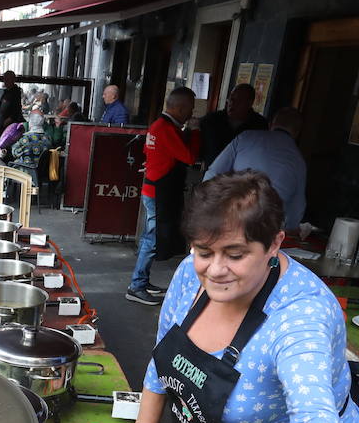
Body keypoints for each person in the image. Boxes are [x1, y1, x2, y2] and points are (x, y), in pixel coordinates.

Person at [121, 172, 359, 423]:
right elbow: (163, 353)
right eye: (204, 252)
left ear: (274, 244)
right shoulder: (190, 273)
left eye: (235, 255)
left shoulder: (300, 316)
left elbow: (313, 415)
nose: (215, 270)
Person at [126, 86, 199, 306]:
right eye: (190, 109)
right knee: (151, 239)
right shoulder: (166, 129)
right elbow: (188, 156)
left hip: (155, 188)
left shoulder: (160, 126)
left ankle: (143, 282)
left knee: (152, 237)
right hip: (158, 192)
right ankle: (136, 286)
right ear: (179, 107)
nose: (191, 114)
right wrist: (195, 132)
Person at [204, 107, 308, 230]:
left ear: (270, 124)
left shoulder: (246, 137)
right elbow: (297, 207)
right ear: (297, 133)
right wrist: (289, 229)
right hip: (267, 223)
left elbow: (214, 172)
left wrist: (205, 207)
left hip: (233, 211)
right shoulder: (298, 160)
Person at [199, 83, 267, 169]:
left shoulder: (259, 125)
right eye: (231, 99)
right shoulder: (211, 120)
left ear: (249, 103)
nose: (232, 103)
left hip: (243, 177)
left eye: (238, 100)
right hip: (213, 176)